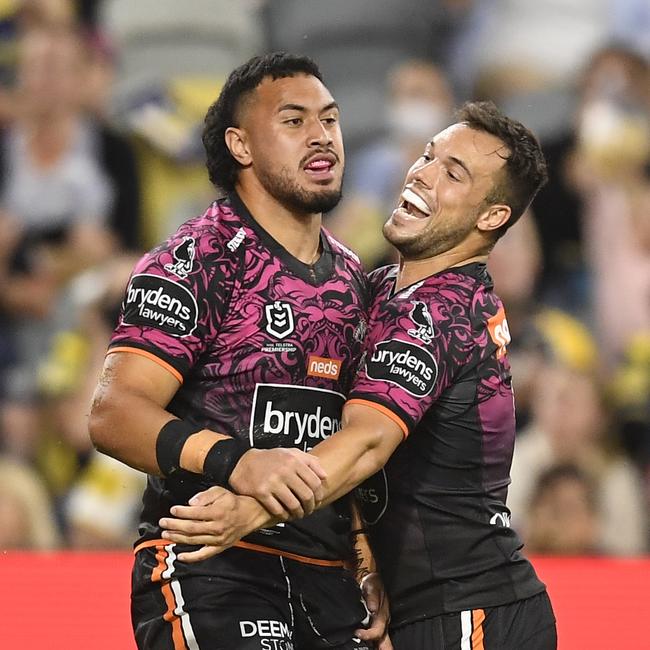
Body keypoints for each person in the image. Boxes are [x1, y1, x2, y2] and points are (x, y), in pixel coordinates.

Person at [160, 101, 558, 650]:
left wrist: (248, 508)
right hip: (419, 608)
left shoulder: (439, 310)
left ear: (491, 217)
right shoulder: (379, 291)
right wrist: (365, 561)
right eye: (427, 155)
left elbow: (367, 443)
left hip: (473, 609)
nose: (421, 172)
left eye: (453, 172)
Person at [88, 52, 389, 650]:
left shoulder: (357, 278)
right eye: (294, 121)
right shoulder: (200, 257)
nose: (321, 136)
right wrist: (240, 463)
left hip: (328, 578)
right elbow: (113, 412)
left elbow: (351, 435)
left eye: (329, 120)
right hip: (211, 563)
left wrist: (365, 557)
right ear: (241, 145)